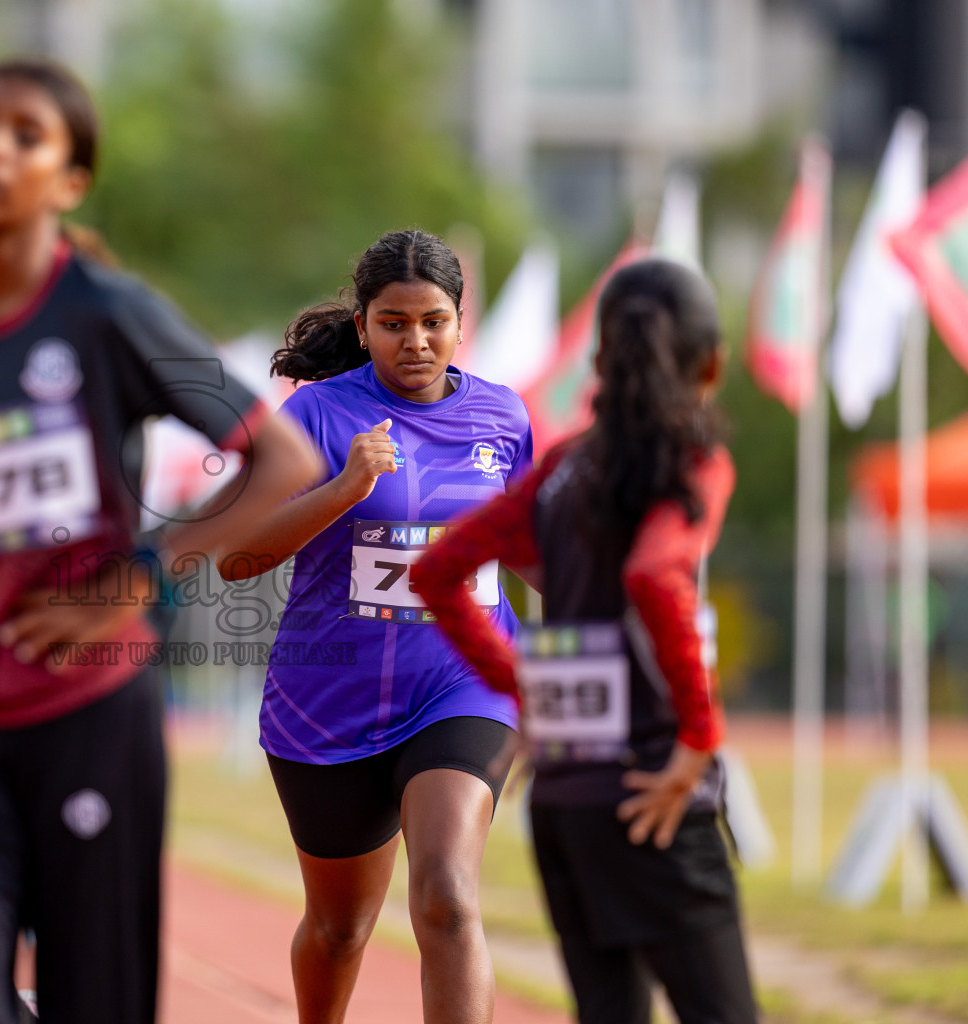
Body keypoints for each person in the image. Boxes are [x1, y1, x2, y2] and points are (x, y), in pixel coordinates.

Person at [0, 56, 321, 1024]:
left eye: (25, 134)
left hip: (92, 714)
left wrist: (138, 575)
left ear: (69, 180)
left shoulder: (112, 313)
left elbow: (283, 458)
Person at [411, 258, 757, 1024]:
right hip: (653, 795)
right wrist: (700, 734)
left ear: (599, 361)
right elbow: (654, 573)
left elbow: (439, 570)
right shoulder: (694, 462)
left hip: (566, 800)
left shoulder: (562, 471)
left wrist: (519, 684)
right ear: (712, 364)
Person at [218, 229, 531, 1024]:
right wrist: (346, 488)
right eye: (393, 323)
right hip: (330, 700)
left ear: (461, 321)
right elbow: (236, 557)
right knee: (339, 926)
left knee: (447, 896)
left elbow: (536, 552)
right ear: (362, 326)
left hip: (465, 687)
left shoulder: (503, 416)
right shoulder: (316, 415)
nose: (415, 340)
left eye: (433, 321)